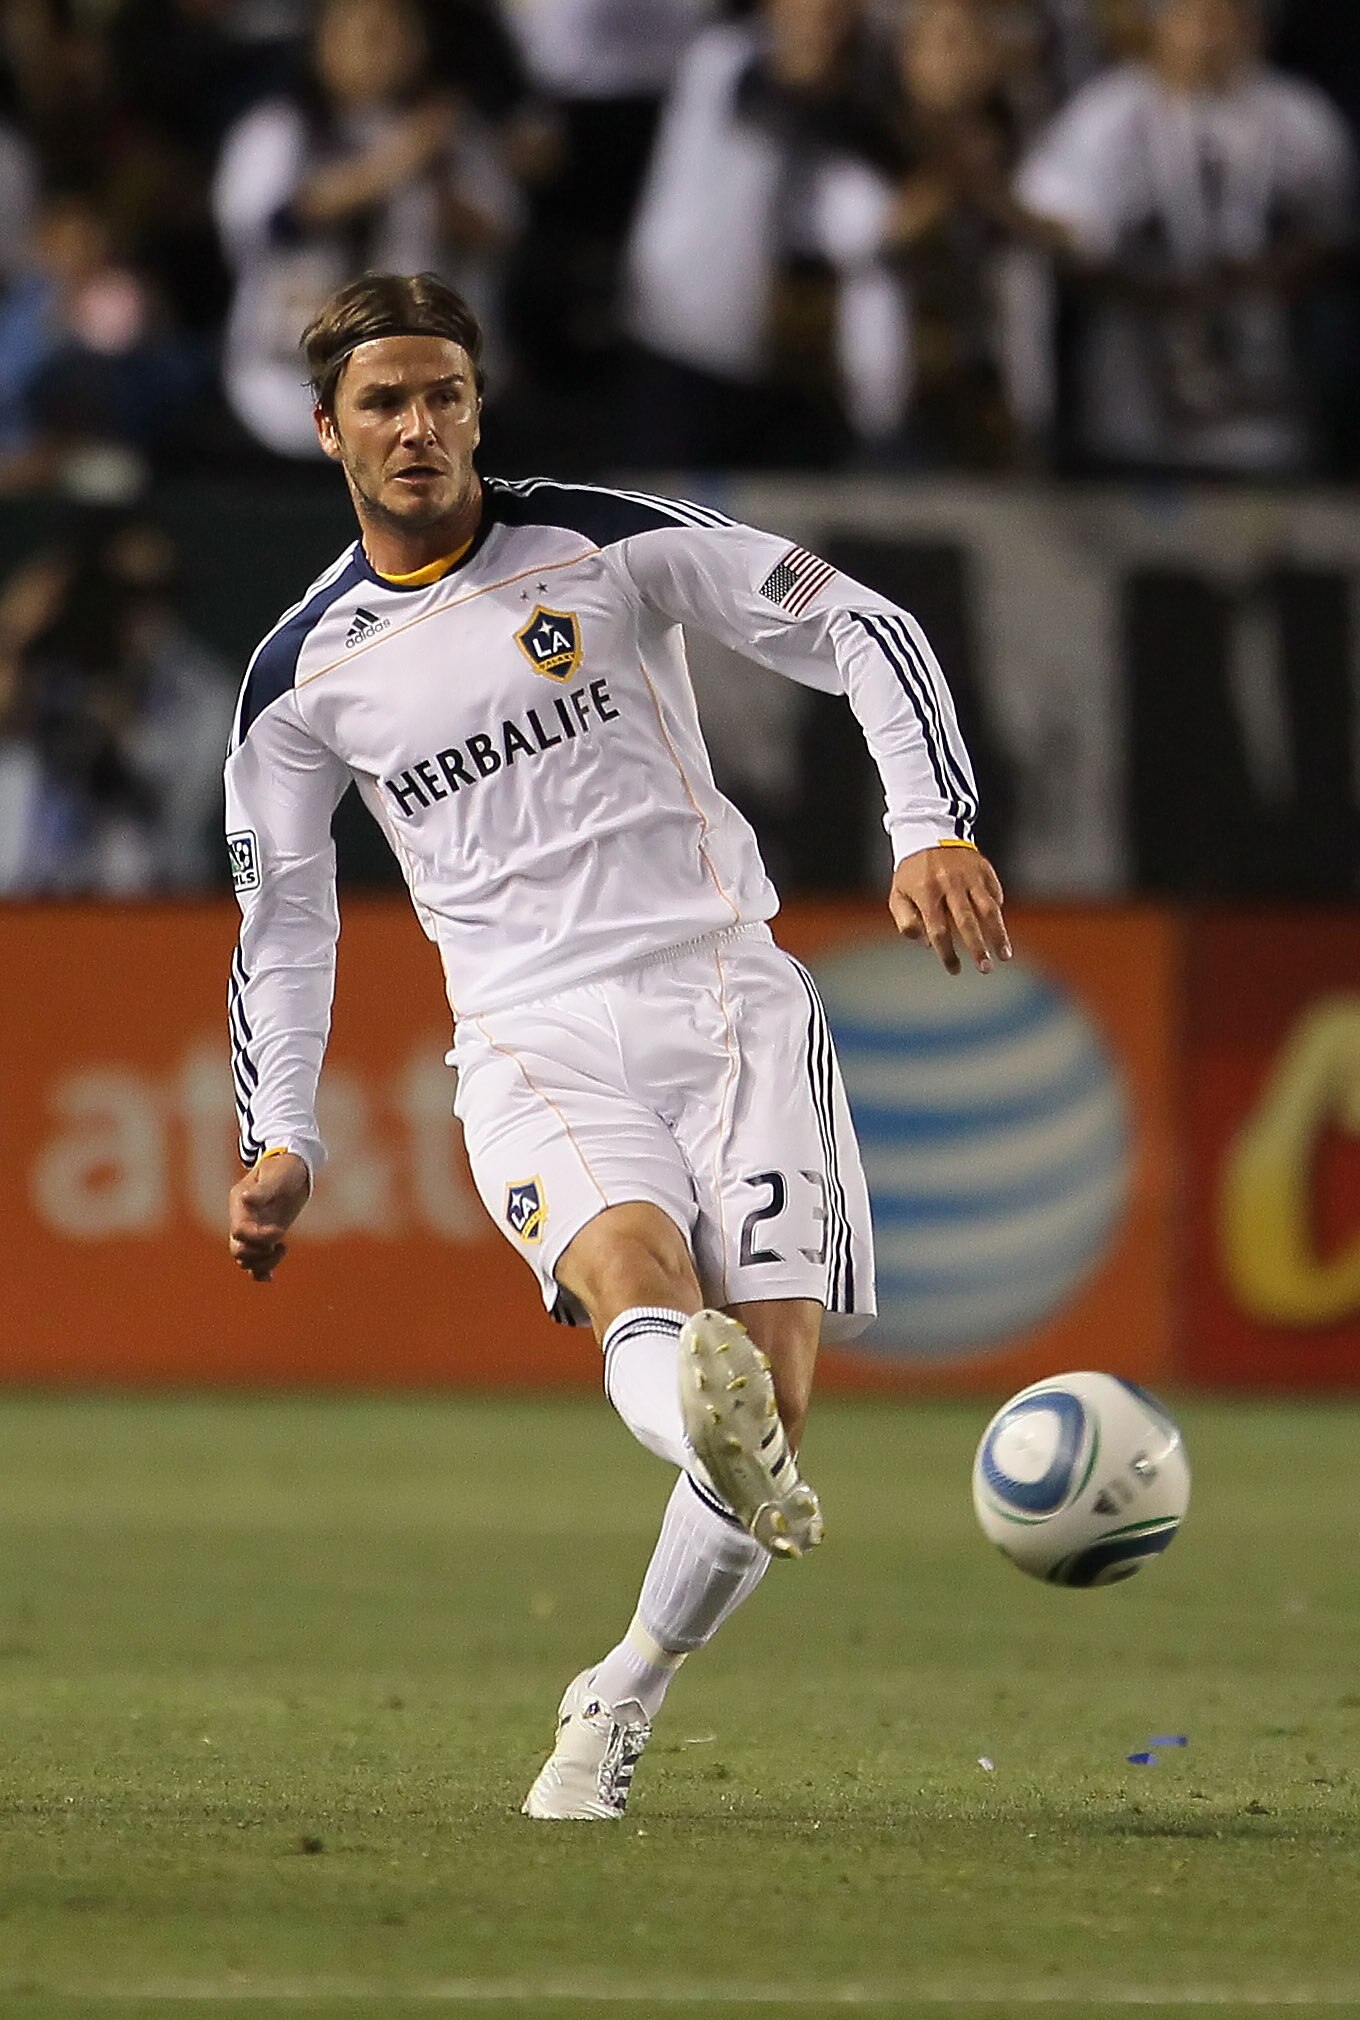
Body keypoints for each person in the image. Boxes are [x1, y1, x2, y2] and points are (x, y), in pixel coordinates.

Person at [223, 270, 1009, 1820]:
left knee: (770, 1400)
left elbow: (863, 622)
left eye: (443, 395)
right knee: (642, 1286)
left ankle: (619, 1692)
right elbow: (283, 924)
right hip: (529, 1038)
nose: (418, 427)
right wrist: (283, 1134)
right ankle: (691, 1406)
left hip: (727, 998)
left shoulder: (604, 541)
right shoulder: (299, 677)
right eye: (384, 403)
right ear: (328, 431)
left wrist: (931, 824)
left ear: (477, 410)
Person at [1014, 0, 1357, 474]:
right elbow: (1053, 229)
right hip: (1136, 402)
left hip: (1266, 404)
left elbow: (1335, 238)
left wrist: (1265, 274)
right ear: (1160, 26)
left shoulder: (1300, 117)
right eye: (1193, 18)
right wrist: (1150, 283)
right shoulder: (1108, 113)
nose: (1209, 36)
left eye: (1226, 19)